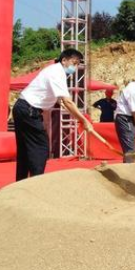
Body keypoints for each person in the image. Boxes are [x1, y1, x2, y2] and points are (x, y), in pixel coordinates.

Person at [12, 49, 95, 181]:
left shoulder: (53, 70)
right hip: (28, 109)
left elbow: (50, 100)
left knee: (26, 149)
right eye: (74, 63)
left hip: (23, 108)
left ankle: (21, 183)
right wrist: (84, 120)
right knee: (41, 147)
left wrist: (45, 122)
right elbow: (67, 101)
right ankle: (35, 182)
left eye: (77, 65)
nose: (75, 67)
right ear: (64, 60)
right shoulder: (57, 72)